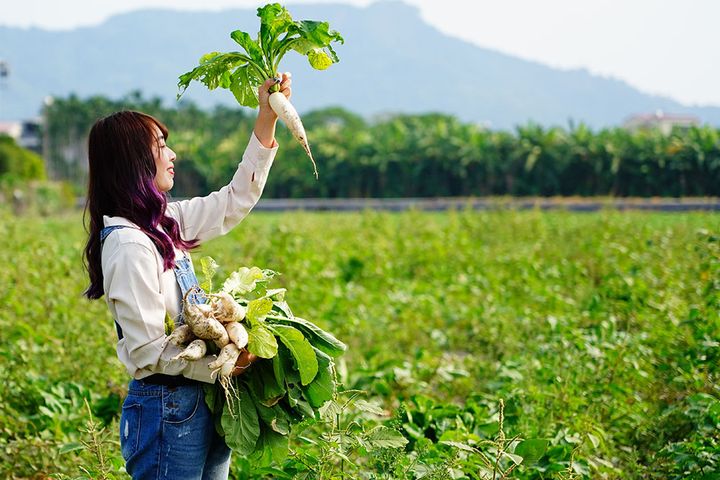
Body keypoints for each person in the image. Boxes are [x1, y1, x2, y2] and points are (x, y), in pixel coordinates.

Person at [82, 74, 292, 479]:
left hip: (202, 397)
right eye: (161, 147)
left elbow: (233, 201)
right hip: (166, 407)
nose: (172, 154)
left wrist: (267, 116)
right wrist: (224, 364)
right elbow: (146, 350)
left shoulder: (162, 223)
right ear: (133, 161)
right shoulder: (128, 246)